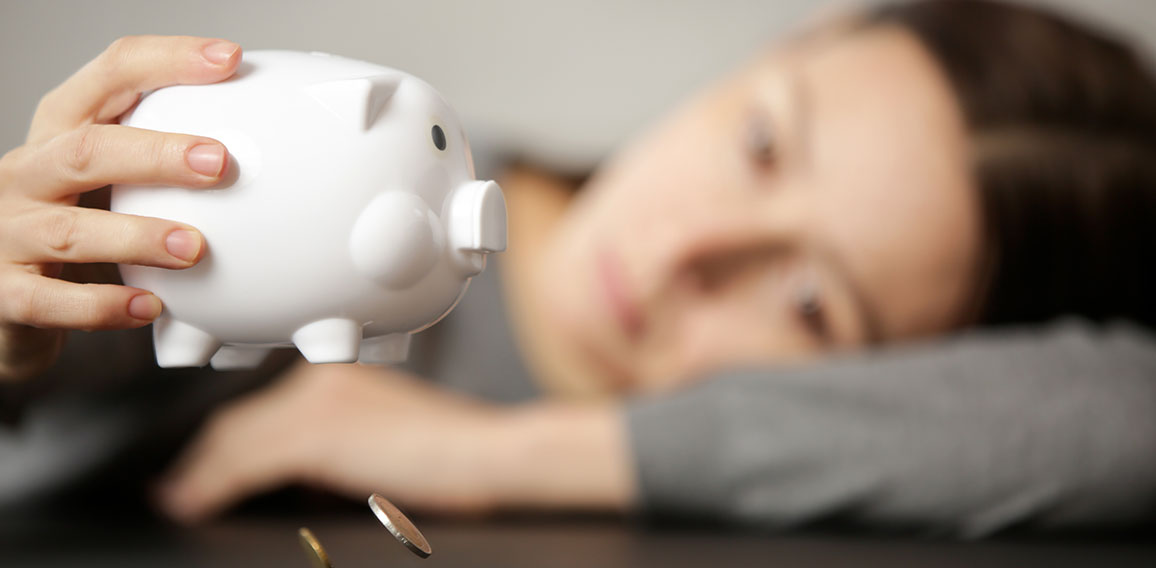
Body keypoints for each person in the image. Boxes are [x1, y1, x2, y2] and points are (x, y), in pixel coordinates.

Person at [1, 0, 1154, 536]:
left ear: (920, 381)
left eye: (811, 302)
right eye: (759, 143)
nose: (681, 253)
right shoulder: (331, 216)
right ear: (765, 55)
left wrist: (495, 451)